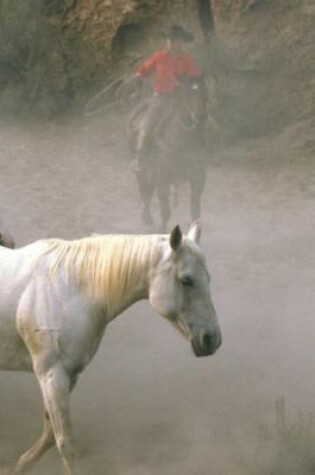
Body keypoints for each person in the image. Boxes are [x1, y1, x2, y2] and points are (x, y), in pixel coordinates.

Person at [131, 24, 201, 173]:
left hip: (181, 100)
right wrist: (139, 75)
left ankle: (202, 158)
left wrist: (193, 91)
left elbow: (195, 80)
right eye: (170, 39)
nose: (172, 43)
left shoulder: (188, 60)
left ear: (182, 42)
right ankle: (140, 159)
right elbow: (145, 69)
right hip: (160, 99)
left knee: (201, 122)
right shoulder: (159, 57)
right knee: (146, 127)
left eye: (175, 40)